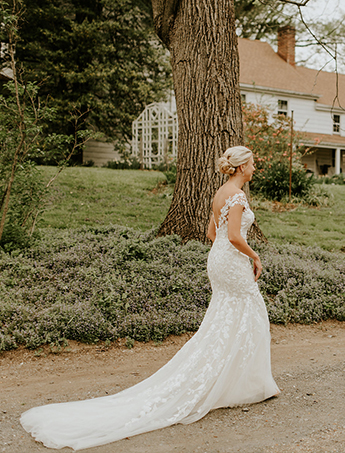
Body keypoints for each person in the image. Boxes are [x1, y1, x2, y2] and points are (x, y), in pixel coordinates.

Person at [21, 146, 279, 450]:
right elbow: (235, 236)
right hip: (232, 259)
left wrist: (230, 252)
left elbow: (213, 233)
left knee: (226, 316)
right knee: (250, 311)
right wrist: (255, 255)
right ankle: (249, 384)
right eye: (251, 164)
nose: (254, 168)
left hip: (218, 259)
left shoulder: (219, 192)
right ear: (240, 167)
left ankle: (239, 382)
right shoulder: (237, 196)